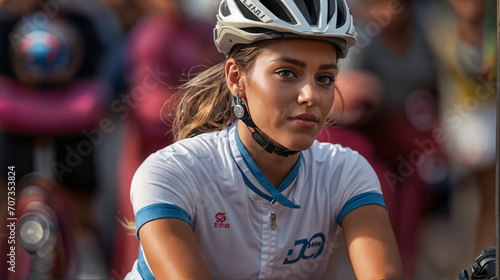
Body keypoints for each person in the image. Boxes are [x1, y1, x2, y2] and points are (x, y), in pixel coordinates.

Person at [125, 0, 403, 279]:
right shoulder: (170, 173)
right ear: (236, 78)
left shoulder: (346, 172)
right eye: (286, 73)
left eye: (325, 78)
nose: (311, 96)